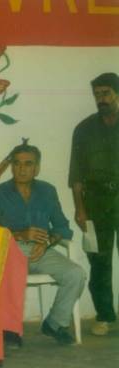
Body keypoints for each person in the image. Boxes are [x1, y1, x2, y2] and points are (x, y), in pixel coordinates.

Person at [0, 144, 86, 345]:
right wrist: (19, 234)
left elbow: (62, 227)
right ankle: (9, 328)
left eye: (28, 164)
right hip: (10, 250)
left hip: (41, 250)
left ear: (36, 168)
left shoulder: (47, 191)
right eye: (17, 164)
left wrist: (47, 241)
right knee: (9, 272)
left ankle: (55, 323)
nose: (22, 169)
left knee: (76, 274)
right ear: (12, 167)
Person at [69, 72, 119, 337]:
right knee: (98, 262)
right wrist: (80, 209)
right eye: (97, 94)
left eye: (106, 93)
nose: (101, 99)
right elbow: (76, 174)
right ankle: (105, 316)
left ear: (117, 94)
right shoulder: (84, 129)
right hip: (95, 203)